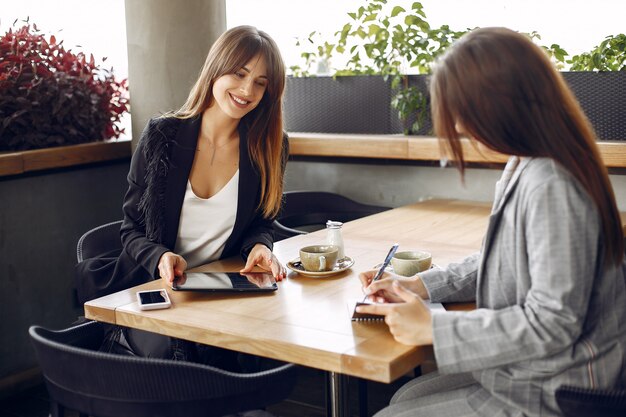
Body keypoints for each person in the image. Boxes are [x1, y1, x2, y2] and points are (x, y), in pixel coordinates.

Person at [357, 27, 626, 417]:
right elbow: (493, 260)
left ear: (503, 105)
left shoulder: (552, 184)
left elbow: (554, 322)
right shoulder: (526, 162)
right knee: (403, 399)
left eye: (464, 113)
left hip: (564, 389)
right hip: (540, 369)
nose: (461, 128)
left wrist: (433, 329)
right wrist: (418, 285)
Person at [76, 25, 289, 366]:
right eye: (240, 73)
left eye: (261, 82)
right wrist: (160, 256)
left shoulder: (267, 147)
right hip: (154, 293)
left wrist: (261, 246)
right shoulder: (163, 135)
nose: (247, 89)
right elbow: (130, 228)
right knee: (183, 367)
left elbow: (262, 220)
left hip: (219, 296)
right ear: (216, 68)